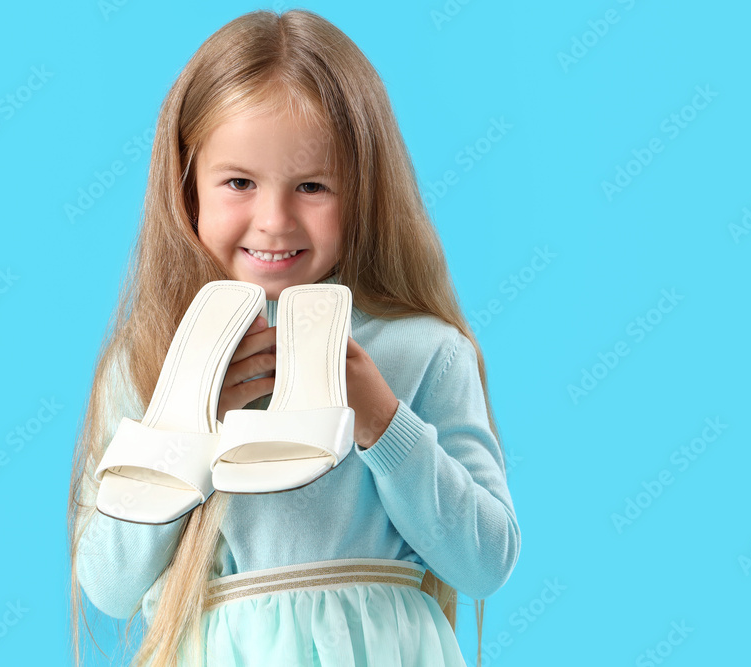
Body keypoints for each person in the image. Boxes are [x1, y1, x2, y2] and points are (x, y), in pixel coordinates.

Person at [67, 8, 520, 666]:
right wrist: (187, 423)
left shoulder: (422, 350)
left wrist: (382, 421)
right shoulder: (148, 362)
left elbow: (485, 561)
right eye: (239, 183)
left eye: (312, 185)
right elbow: (109, 585)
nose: (274, 221)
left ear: (363, 190)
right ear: (185, 183)